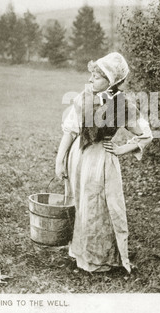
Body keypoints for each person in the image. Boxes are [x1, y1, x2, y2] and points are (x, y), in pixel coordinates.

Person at [55, 52, 153, 273]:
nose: (90, 81)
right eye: (91, 75)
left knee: (98, 207)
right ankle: (79, 252)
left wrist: (121, 148)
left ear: (112, 81)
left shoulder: (122, 105)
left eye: (97, 77)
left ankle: (99, 259)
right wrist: (59, 160)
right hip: (78, 157)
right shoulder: (84, 97)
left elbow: (146, 134)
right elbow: (70, 131)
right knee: (80, 203)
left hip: (100, 161)